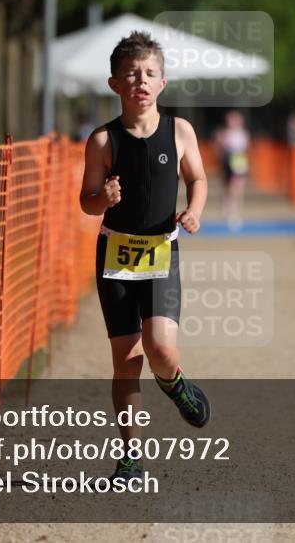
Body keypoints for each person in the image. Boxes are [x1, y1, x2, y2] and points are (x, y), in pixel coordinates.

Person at [79, 31, 211, 481]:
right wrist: (104, 197)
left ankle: (175, 383)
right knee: (126, 361)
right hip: (115, 252)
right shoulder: (102, 140)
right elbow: (86, 201)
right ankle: (131, 456)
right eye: (132, 73)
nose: (141, 80)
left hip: (160, 250)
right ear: (115, 83)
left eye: (150, 73)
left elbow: (198, 179)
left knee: (159, 347)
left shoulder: (180, 131)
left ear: (162, 83)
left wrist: (193, 212)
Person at [215, 110, 250, 231]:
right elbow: (219, 149)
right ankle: (229, 211)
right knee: (228, 189)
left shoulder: (242, 134)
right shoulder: (223, 133)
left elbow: (245, 150)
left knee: (236, 189)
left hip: (238, 163)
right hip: (227, 162)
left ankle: (235, 214)